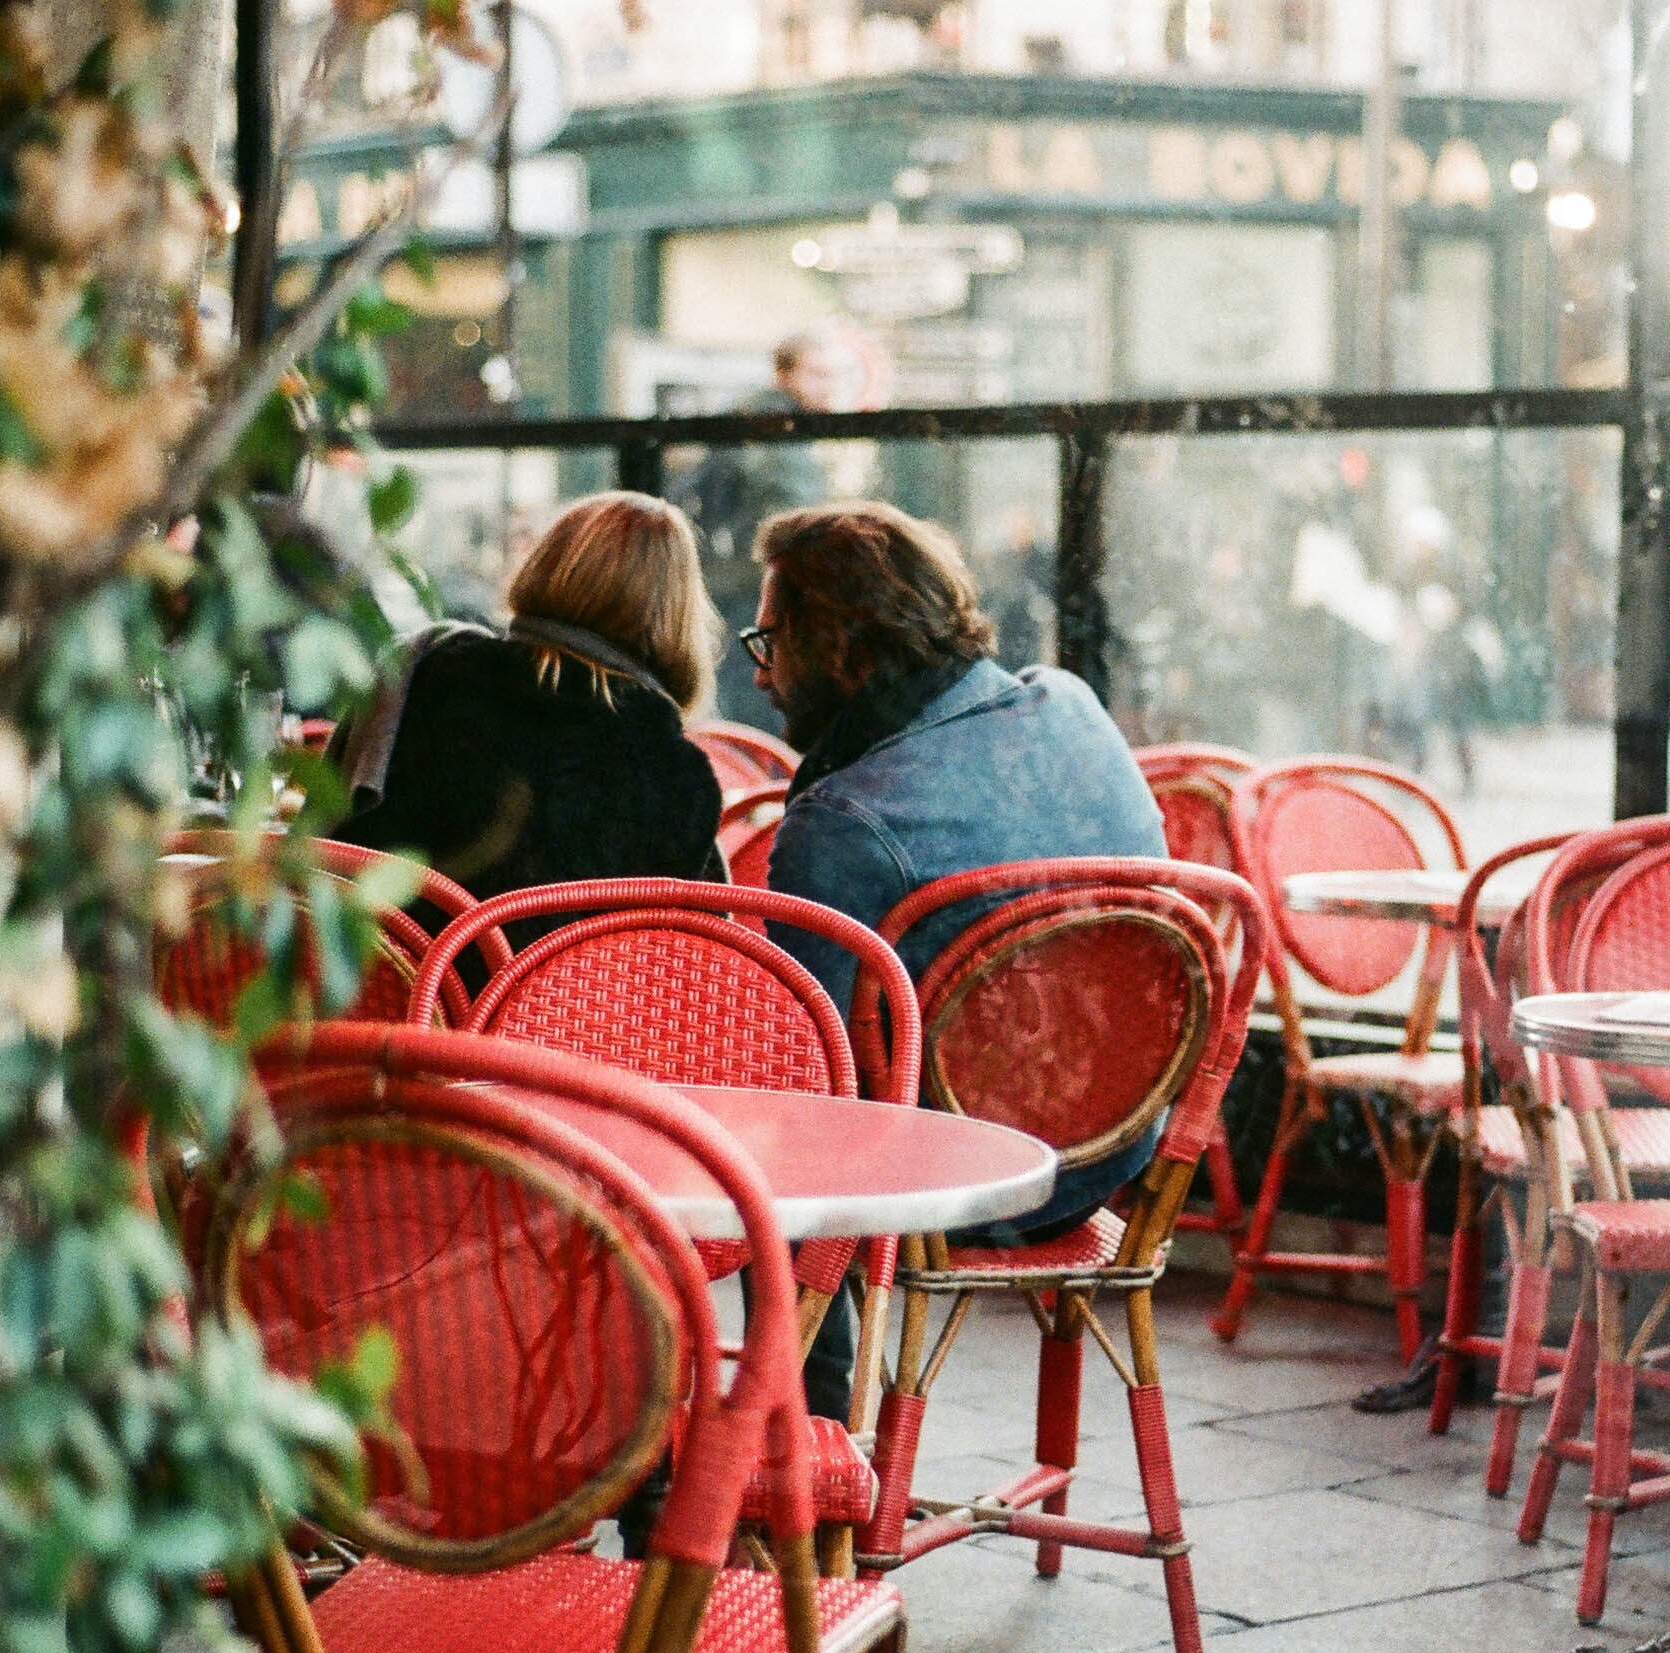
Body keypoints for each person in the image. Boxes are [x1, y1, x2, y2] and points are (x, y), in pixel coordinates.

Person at [751, 500, 1169, 1423]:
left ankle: (795, 1464)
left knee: (771, 1158)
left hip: (968, 1190)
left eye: (772, 640)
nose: (761, 676)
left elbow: (799, 1066)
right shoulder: (1073, 705)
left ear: (842, 650)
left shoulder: (846, 820)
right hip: (1117, 1152)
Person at [325, 491, 724, 949]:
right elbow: (681, 963)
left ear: (547, 564)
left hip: (385, 1000)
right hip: (555, 1019)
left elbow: (326, 844)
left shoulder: (429, 672)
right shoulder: (678, 776)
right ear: (678, 616)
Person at [675, 333, 836, 733]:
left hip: (734, 579)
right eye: (817, 374)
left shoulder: (760, 420)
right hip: (755, 583)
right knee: (762, 695)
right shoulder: (777, 429)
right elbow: (789, 513)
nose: (828, 386)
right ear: (783, 375)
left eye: (835, 375)